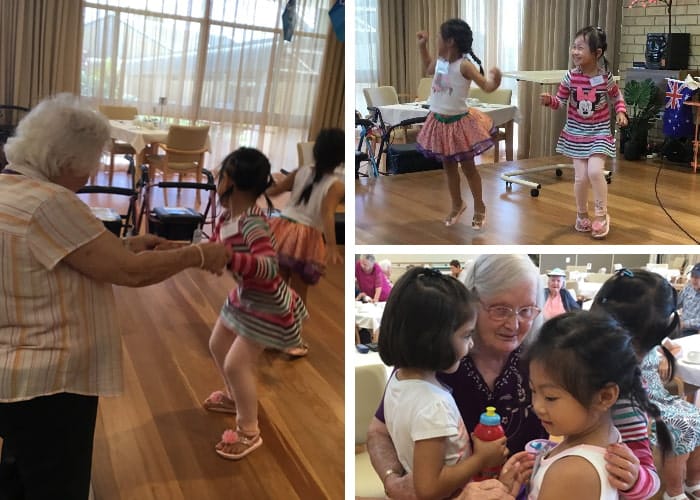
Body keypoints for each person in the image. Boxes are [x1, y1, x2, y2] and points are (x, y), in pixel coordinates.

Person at [0, 94, 230, 499]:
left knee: (23, 469)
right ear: (64, 159)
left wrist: (127, 243)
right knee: (57, 483)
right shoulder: (51, 202)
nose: (88, 178)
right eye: (86, 166)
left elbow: (70, 255)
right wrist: (198, 253)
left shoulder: (11, 189)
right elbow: (128, 274)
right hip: (51, 378)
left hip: (15, 371)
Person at [368, 254, 659, 500]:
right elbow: (379, 432)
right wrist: (393, 480)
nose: (515, 323)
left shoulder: (548, 362)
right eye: (500, 310)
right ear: (471, 303)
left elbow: (635, 459)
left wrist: (634, 479)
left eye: (527, 310)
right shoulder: (436, 360)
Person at [378, 267, 532, 499]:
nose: (470, 346)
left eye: (527, 310)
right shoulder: (433, 405)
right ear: (435, 340)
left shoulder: (400, 382)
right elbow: (428, 488)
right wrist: (482, 458)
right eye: (466, 335)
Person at [202, 147, 308, 460]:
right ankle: (235, 398)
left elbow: (269, 265)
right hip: (245, 296)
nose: (217, 179)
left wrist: (232, 257)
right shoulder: (227, 217)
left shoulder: (252, 223)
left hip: (267, 304)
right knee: (217, 344)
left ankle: (249, 430)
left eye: (221, 174)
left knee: (237, 364)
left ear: (231, 182)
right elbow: (216, 247)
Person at [526, 311, 668, 499]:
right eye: (533, 391)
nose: (537, 406)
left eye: (550, 397)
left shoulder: (572, 472)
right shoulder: (606, 436)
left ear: (605, 397)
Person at [592, 269, 700, 500]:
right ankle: (675, 491)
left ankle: (691, 481)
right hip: (646, 409)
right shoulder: (624, 399)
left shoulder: (587, 354)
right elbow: (643, 475)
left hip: (655, 400)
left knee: (693, 417)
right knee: (683, 423)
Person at [540, 26, 628, 239]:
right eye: (574, 47)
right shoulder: (570, 77)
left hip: (599, 132)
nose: (575, 52)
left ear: (597, 53)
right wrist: (549, 101)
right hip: (576, 134)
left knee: (595, 172)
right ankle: (581, 215)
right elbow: (560, 101)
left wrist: (621, 113)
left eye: (581, 48)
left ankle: (601, 215)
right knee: (580, 178)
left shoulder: (605, 78)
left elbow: (617, 98)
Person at [415, 18, 502, 229]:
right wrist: (423, 47)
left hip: (459, 123)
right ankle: (457, 204)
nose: (437, 40)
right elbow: (428, 68)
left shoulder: (464, 65)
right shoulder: (441, 62)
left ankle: (480, 207)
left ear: (450, 41)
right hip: (439, 122)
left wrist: (496, 79)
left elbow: (487, 86)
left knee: (469, 168)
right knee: (449, 167)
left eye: (438, 38)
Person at [267, 128, 344, 302]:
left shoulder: (301, 170)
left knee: (277, 286)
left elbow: (275, 190)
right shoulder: (336, 185)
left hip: (282, 228)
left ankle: (274, 321)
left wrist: (256, 185)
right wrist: (332, 245)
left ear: (315, 150)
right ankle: (292, 325)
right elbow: (327, 214)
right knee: (298, 292)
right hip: (306, 235)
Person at [678, 263, 700, 337]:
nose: (694, 279)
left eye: (697, 277)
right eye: (692, 276)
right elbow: (677, 303)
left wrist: (684, 324)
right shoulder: (688, 288)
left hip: (693, 331)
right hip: (681, 325)